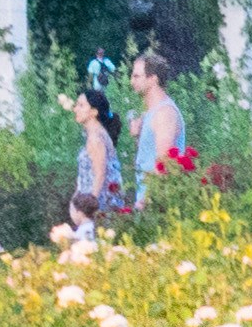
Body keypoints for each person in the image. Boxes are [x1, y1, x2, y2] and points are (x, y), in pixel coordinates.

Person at [126, 51, 191, 210]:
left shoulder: (164, 113)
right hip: (147, 198)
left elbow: (165, 162)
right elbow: (147, 157)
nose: (131, 81)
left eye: (136, 76)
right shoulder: (150, 113)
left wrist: (146, 201)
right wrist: (138, 136)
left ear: (153, 79)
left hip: (157, 203)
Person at [68, 70, 126, 228]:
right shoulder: (96, 134)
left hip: (99, 207)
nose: (75, 109)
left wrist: (87, 210)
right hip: (97, 204)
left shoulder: (96, 138)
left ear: (93, 112)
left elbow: (100, 174)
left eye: (81, 105)